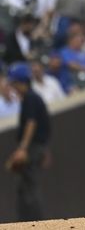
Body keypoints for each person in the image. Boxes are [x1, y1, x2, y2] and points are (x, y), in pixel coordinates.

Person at [5, 63, 50, 222]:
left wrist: (23, 148)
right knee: (25, 188)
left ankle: (35, 224)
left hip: (32, 148)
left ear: (20, 82)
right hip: (38, 147)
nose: (13, 88)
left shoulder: (30, 98)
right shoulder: (33, 97)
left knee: (29, 189)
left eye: (14, 83)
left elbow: (32, 123)